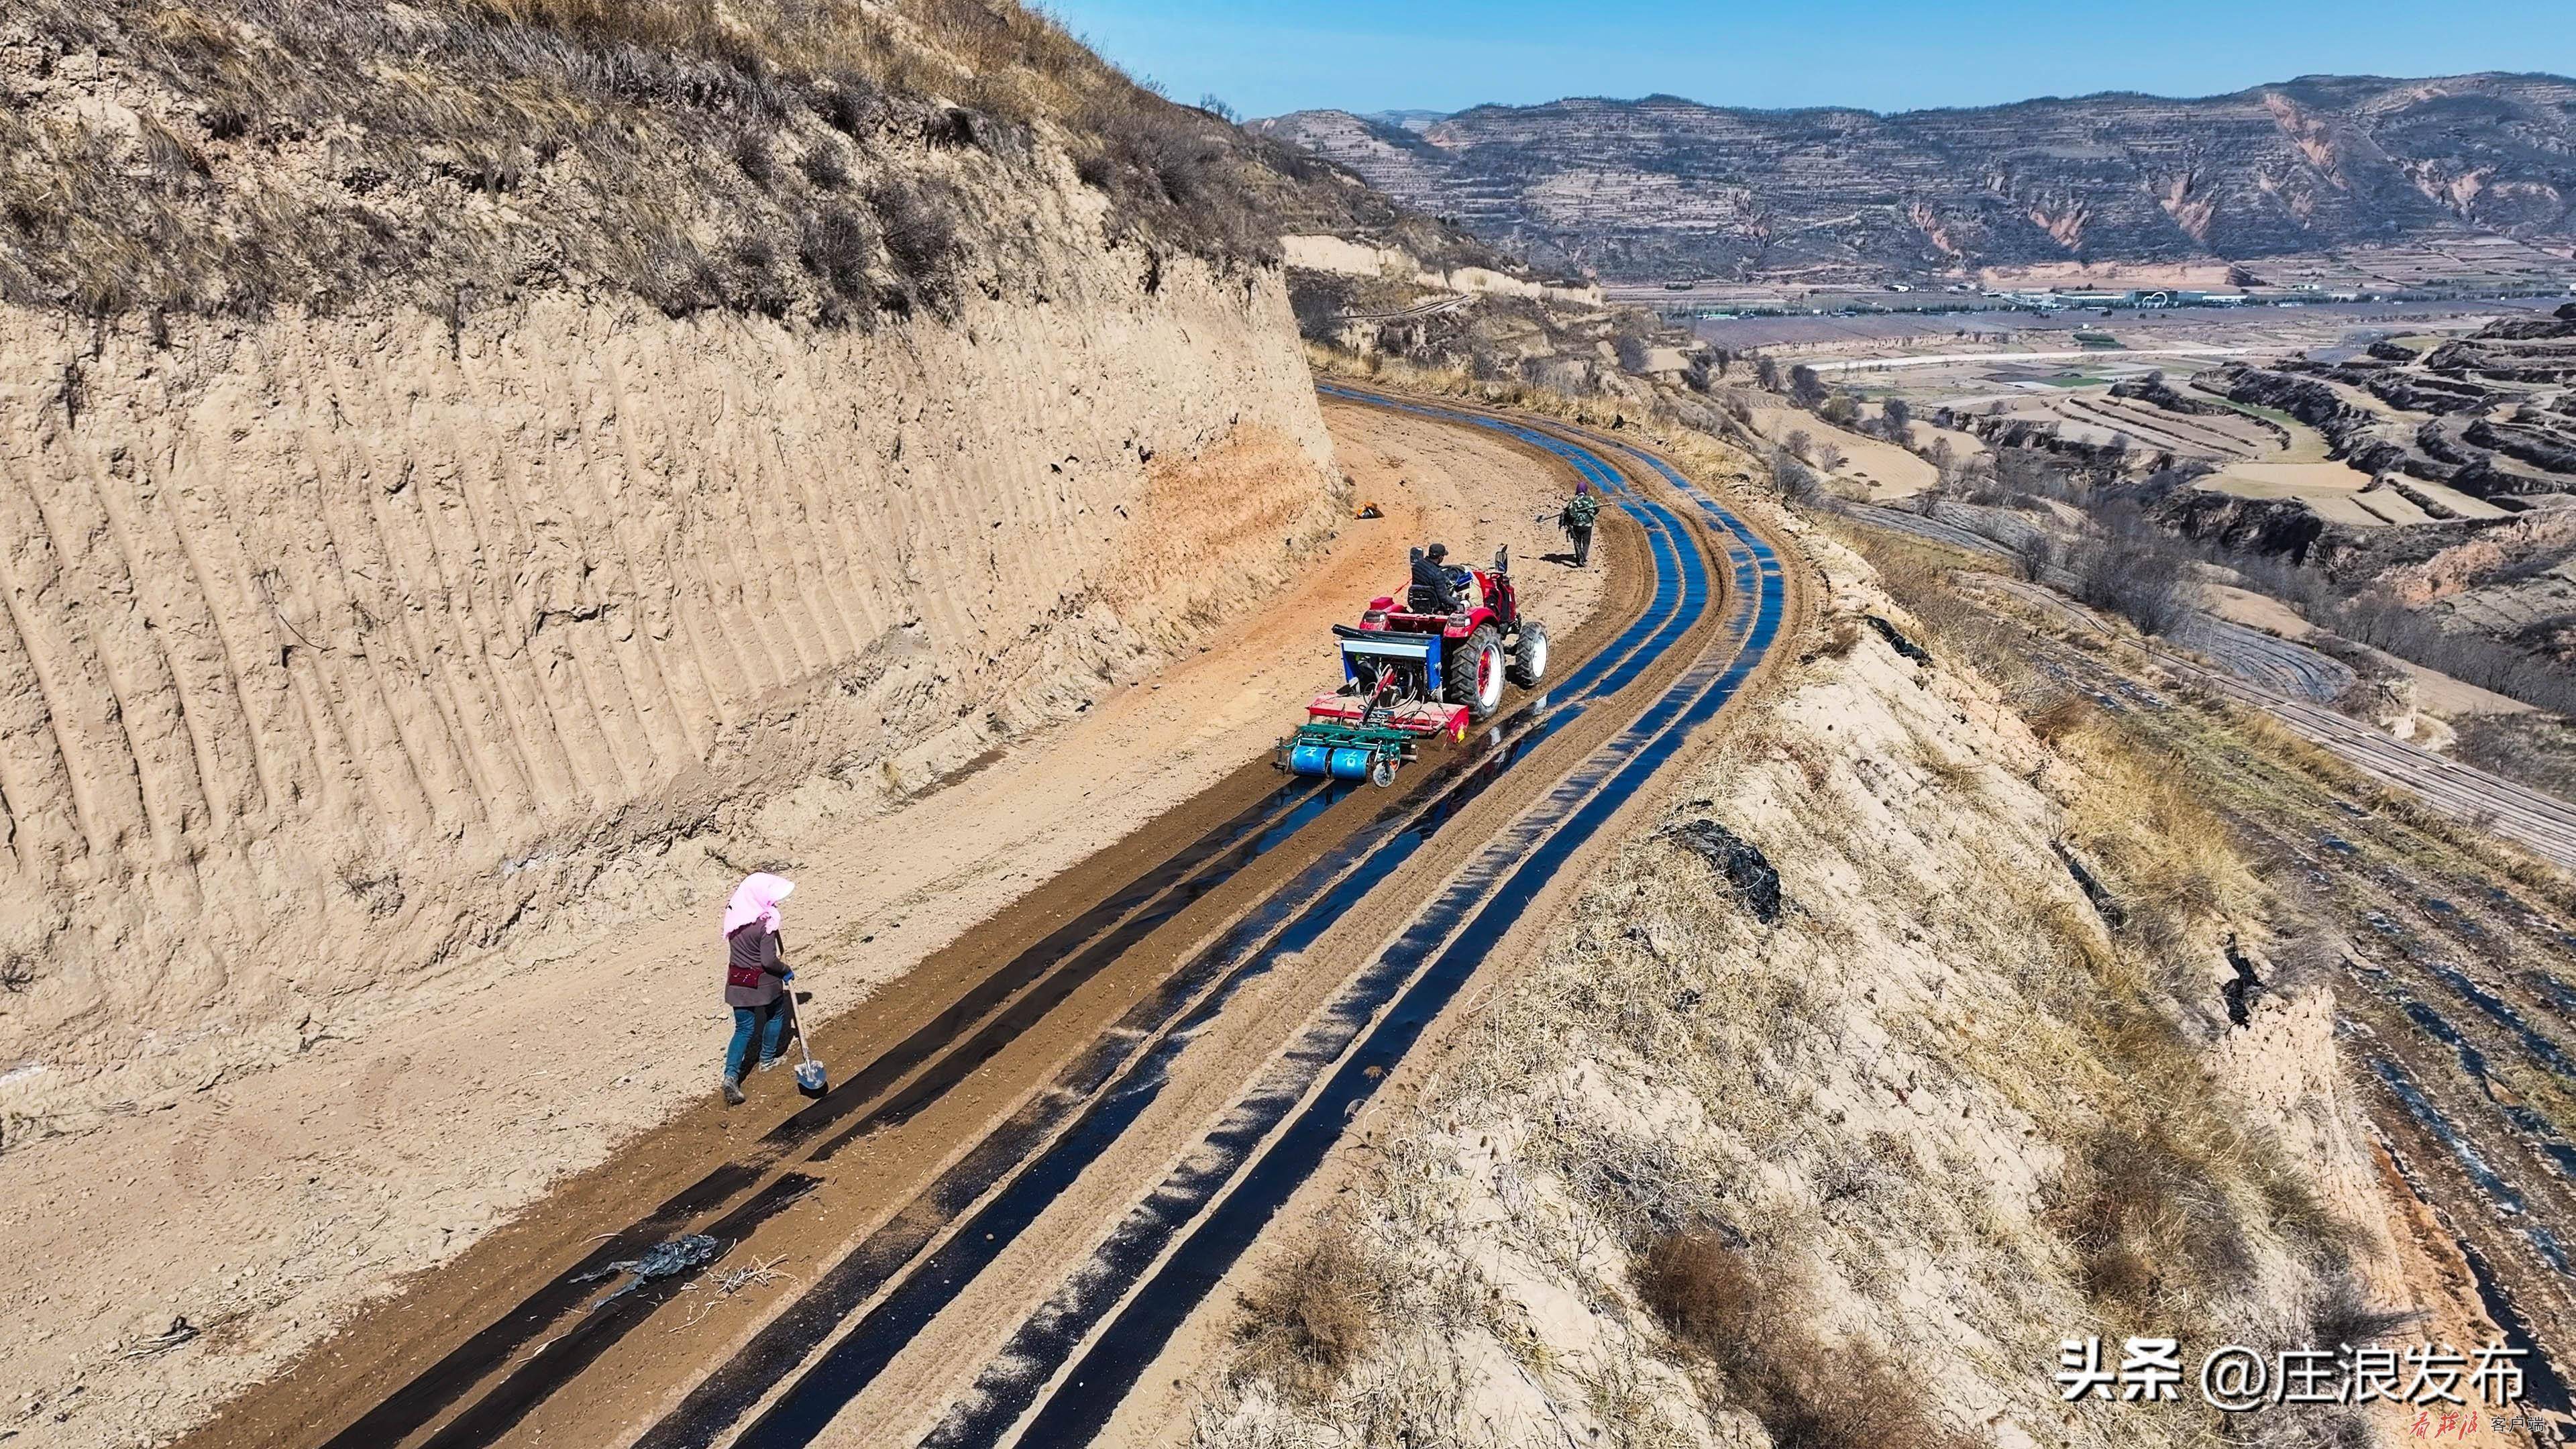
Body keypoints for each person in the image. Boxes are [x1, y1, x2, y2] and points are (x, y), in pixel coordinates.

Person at [720, 871, 798, 1106]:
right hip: (763, 984)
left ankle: (731, 1075)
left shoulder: (735, 918)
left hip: (737, 983)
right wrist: (785, 970)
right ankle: (767, 1059)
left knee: (743, 1029)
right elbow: (768, 961)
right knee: (777, 1014)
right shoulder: (766, 925)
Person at [1409, 541, 1461, 612]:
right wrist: (1457, 602)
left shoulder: (1416, 566)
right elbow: (1444, 598)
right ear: (1441, 557)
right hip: (1434, 606)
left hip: (1417, 603)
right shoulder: (1438, 574)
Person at [1559, 480, 1601, 568]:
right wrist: (1591, 515)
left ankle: (1579, 558)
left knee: (1577, 541)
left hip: (1577, 525)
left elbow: (1571, 513)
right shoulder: (1591, 499)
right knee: (1586, 542)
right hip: (1588, 525)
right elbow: (1597, 510)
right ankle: (1583, 557)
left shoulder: (1574, 500)